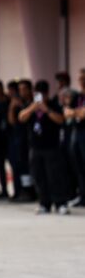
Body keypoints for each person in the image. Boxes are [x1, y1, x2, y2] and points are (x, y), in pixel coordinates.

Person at [19, 81, 67, 215]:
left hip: (51, 147)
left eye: (41, 94)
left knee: (55, 176)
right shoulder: (31, 106)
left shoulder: (53, 104)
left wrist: (47, 110)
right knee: (39, 176)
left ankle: (60, 203)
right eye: (36, 94)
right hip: (35, 147)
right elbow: (21, 117)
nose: (39, 98)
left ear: (46, 94)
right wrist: (32, 108)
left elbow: (61, 120)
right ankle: (44, 203)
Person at [7, 80, 35, 202]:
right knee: (21, 166)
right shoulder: (18, 104)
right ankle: (23, 190)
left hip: (31, 140)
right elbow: (12, 121)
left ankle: (31, 191)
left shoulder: (33, 104)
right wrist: (12, 107)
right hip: (19, 139)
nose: (22, 92)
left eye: (24, 89)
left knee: (31, 166)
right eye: (20, 89)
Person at [66, 69, 85, 207]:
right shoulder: (77, 97)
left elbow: (83, 114)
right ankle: (82, 196)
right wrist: (76, 113)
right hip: (76, 133)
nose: (82, 82)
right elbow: (66, 113)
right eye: (80, 79)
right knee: (78, 166)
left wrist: (75, 113)